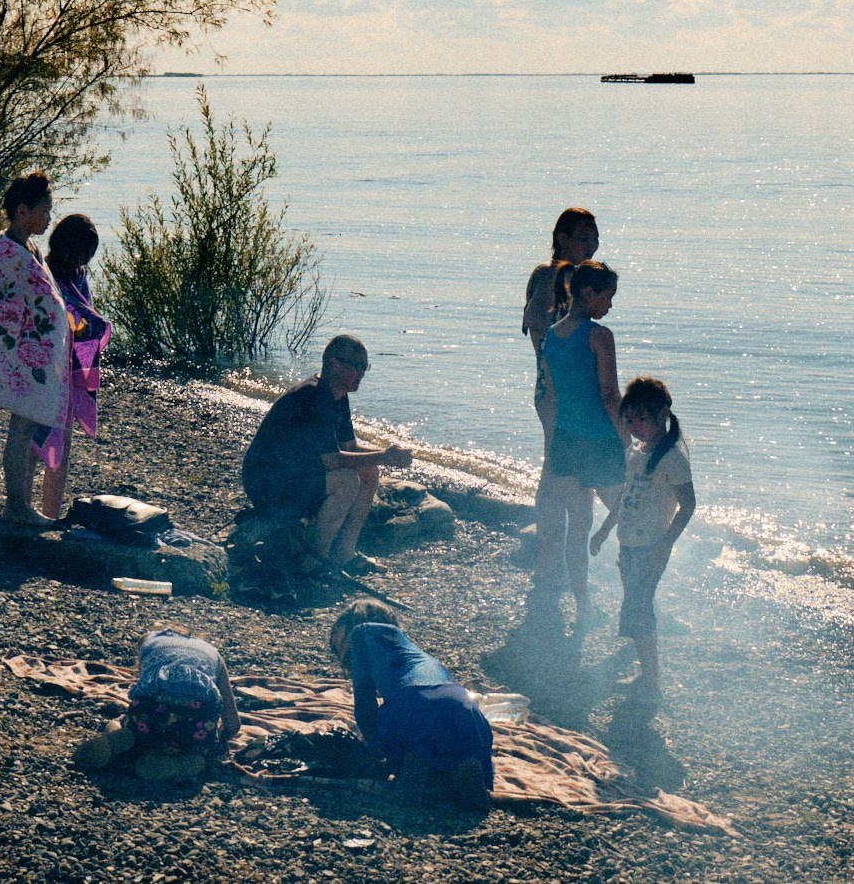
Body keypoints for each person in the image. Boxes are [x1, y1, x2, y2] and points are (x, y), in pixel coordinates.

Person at [241, 335, 413, 578]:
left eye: (365, 367)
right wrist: (384, 455)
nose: (362, 373)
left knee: (369, 471)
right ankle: (314, 559)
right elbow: (332, 460)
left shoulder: (338, 397)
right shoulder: (312, 396)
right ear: (334, 363)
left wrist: (385, 456)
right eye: (357, 366)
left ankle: (345, 553)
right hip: (269, 484)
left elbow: (349, 448)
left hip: (297, 475)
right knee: (346, 481)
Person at [0, 172, 72, 528]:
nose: (48, 218)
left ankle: (18, 505)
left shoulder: (24, 246)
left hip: (29, 356)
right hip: (21, 359)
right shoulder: (10, 253)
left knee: (23, 429)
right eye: (44, 211)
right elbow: (6, 309)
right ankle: (15, 506)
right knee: (20, 430)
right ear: (23, 211)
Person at [330, 598, 493, 808]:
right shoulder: (411, 650)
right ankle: (461, 769)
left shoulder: (361, 633)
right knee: (446, 739)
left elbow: (365, 702)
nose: (338, 652)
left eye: (337, 642)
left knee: (404, 732)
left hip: (410, 703)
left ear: (351, 627)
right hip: (463, 705)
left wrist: (374, 746)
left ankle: (414, 763)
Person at [591, 377, 696, 699]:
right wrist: (605, 529)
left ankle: (651, 683)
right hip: (630, 544)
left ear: (662, 414)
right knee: (637, 605)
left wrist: (664, 546)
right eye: (630, 419)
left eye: (642, 418)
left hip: (651, 546)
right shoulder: (636, 452)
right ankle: (646, 669)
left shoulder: (672, 459)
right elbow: (627, 497)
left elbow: (689, 505)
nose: (635, 426)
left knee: (637, 610)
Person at [534, 261, 626, 629]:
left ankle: (584, 606)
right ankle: (640, 602)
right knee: (632, 514)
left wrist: (554, 445)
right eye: (608, 297)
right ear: (588, 293)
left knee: (580, 525)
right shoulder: (599, 335)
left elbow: (553, 396)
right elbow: (609, 394)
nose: (610, 305)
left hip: (565, 442)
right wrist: (627, 437)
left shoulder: (552, 336)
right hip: (599, 442)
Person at [523, 209, 598, 596]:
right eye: (584, 237)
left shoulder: (554, 275)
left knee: (554, 474)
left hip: (550, 391)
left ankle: (552, 565)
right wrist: (556, 368)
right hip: (559, 394)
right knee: (568, 477)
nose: (592, 244)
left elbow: (535, 326)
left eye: (595, 238)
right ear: (563, 238)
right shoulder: (559, 274)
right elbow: (536, 322)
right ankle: (558, 568)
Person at [74, 627, 242, 782]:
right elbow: (233, 724)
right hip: (194, 723)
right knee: (201, 746)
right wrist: (218, 739)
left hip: (149, 714)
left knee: (125, 724)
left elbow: (144, 686)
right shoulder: (214, 654)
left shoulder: (149, 640)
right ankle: (183, 762)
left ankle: (118, 737)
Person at [31, 213, 111, 520]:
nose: (86, 262)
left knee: (60, 449)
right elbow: (56, 314)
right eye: (83, 254)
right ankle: (23, 507)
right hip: (41, 370)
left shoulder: (77, 276)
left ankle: (50, 515)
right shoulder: (44, 274)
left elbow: (81, 313)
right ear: (67, 249)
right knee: (33, 444)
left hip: (66, 374)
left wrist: (91, 324)